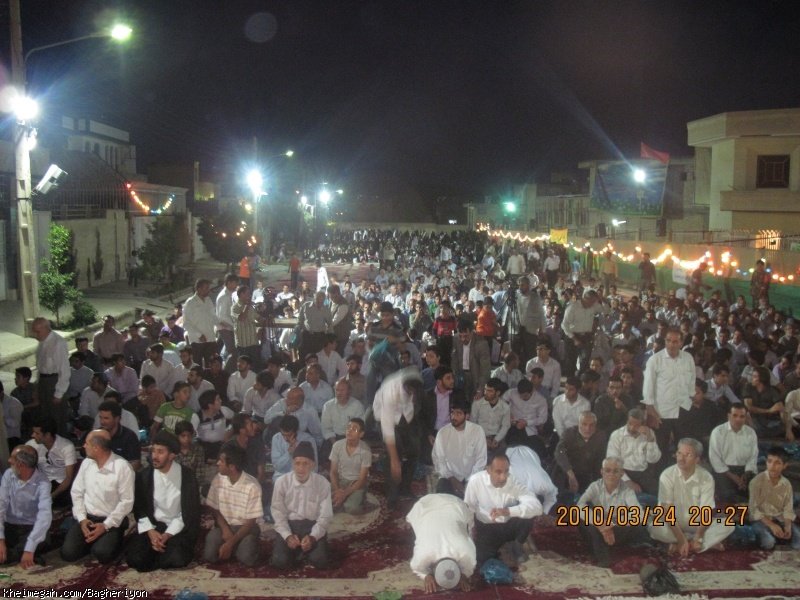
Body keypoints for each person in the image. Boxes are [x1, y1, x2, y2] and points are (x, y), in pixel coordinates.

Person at [126, 431, 200, 572]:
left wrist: (167, 535)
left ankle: (159, 552)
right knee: (135, 559)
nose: (154, 456)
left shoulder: (187, 477)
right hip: (154, 526)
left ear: (172, 455)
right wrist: (151, 532)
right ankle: (154, 549)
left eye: (160, 452)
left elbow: (190, 512)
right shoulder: (144, 476)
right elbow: (140, 509)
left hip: (177, 527)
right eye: (153, 451)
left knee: (176, 559)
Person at [648, 438, 734, 555]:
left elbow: (706, 511)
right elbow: (666, 511)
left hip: (697, 524)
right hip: (673, 525)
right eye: (679, 453)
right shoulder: (666, 475)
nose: (681, 459)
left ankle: (682, 545)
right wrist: (681, 538)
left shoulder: (706, 477)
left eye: (687, 455)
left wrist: (698, 536)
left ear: (697, 459)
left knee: (728, 524)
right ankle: (700, 544)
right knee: (654, 527)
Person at [61, 429, 135, 564]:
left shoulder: (123, 467)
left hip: (111, 521)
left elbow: (127, 502)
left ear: (96, 448)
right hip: (88, 519)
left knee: (103, 554)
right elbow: (76, 492)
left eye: (86, 443)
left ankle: (109, 540)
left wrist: (105, 525)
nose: (84, 446)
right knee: (68, 553)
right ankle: (91, 541)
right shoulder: (86, 463)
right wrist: (82, 519)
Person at [464, 453, 542, 567]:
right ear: (488, 470)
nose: (503, 477)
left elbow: (537, 507)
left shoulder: (513, 481)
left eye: (506, 471)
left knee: (528, 513)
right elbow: (468, 510)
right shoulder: (476, 481)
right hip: (488, 528)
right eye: (498, 472)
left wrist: (508, 511)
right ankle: (499, 551)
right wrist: (469, 539)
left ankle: (517, 543)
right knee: (481, 561)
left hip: (509, 526)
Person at [577, 456, 651, 568]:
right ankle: (604, 557)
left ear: (621, 474)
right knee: (582, 519)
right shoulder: (595, 486)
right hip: (599, 524)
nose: (611, 474)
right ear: (601, 472)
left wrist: (612, 525)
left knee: (639, 525)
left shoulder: (627, 490)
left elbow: (639, 514)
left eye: (616, 471)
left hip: (617, 527)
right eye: (607, 470)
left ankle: (601, 546)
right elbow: (580, 505)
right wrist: (600, 523)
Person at [270, 441, 333, 570]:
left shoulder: (322, 483)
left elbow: (325, 517)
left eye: (305, 464)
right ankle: (298, 551)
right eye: (297, 463)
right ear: (292, 464)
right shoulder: (282, 482)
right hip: (290, 525)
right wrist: (287, 536)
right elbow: (278, 513)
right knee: (279, 562)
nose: (300, 468)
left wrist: (313, 537)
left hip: (312, 526)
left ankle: (302, 551)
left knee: (321, 561)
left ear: (312, 465)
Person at [372, 368, 424, 508]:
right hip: (384, 418)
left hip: (405, 417)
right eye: (409, 392)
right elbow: (387, 429)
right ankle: (392, 494)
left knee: (414, 451)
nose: (412, 395)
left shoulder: (416, 381)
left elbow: (414, 406)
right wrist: (395, 460)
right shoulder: (391, 391)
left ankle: (405, 488)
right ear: (404, 387)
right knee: (393, 454)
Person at [203, 445, 262, 566]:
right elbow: (214, 508)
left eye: (222, 461)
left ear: (232, 467)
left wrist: (230, 543)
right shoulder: (218, 479)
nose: (218, 463)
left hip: (245, 529)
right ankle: (235, 548)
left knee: (247, 558)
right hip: (224, 525)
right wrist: (225, 530)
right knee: (209, 555)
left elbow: (250, 522)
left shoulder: (252, 486)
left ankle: (239, 547)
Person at [642, 328, 696, 459]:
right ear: (665, 341)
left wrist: (691, 400)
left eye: (675, 341)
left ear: (681, 343)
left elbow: (692, 382)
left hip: (683, 408)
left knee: (684, 447)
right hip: (661, 412)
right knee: (660, 448)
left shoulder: (688, 358)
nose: (672, 344)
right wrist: (651, 411)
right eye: (669, 341)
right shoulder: (655, 360)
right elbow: (648, 387)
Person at [406, 494, 475, 593]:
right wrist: (427, 576)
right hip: (425, 506)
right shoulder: (424, 553)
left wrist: (463, 576)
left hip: (454, 503)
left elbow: (469, 567)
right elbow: (416, 566)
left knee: (468, 523)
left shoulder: (467, 552)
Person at [0, 445, 52, 568]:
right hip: (10, 526)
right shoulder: (8, 474)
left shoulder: (43, 483)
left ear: (21, 464)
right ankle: (25, 553)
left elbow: (44, 516)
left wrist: (29, 549)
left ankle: (25, 552)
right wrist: (0, 539)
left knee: (39, 541)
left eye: (12, 458)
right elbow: (0, 505)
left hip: (31, 529)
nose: (9, 461)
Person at [432, 398, 487, 498]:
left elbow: (481, 460)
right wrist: (452, 479)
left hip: (471, 478)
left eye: (458, 413)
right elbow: (439, 459)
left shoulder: (477, 431)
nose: (454, 417)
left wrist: (469, 481)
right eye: (452, 413)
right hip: (449, 477)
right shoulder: (443, 433)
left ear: (467, 416)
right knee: (443, 499)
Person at [748, 446, 800, 551]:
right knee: (768, 543)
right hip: (761, 520)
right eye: (769, 461)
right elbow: (754, 510)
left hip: (779, 519)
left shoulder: (786, 484)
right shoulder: (756, 481)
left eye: (777, 463)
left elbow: (788, 509)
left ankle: (780, 537)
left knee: (798, 542)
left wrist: (788, 526)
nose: (772, 466)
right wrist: (772, 525)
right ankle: (773, 537)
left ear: (785, 466)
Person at [708, 403, 758, 504]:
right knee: (727, 494)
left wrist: (746, 475)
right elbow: (715, 459)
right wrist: (732, 476)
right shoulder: (718, 432)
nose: (738, 419)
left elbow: (753, 457)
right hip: (724, 471)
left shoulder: (750, 432)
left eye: (742, 416)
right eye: (735, 415)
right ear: (729, 415)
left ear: (745, 417)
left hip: (745, 471)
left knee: (755, 492)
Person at [605, 408, 661, 495]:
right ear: (627, 421)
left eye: (636, 425)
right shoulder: (616, 435)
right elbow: (612, 462)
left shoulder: (650, 433)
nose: (632, 428)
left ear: (643, 424)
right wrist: (627, 481)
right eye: (630, 424)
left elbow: (653, 460)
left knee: (659, 494)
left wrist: (650, 440)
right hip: (622, 472)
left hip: (643, 472)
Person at [32, 316, 71, 438]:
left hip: (54, 382)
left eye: (37, 331)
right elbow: (40, 367)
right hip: (44, 382)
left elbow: (64, 370)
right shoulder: (42, 343)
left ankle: (61, 445)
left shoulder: (58, 342)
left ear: (45, 328)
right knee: (45, 417)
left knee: (57, 419)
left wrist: (59, 393)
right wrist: (37, 388)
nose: (36, 335)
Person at [28, 416, 77, 508]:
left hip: (62, 485)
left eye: (36, 433)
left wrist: (51, 496)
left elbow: (68, 478)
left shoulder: (66, 447)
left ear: (47, 435)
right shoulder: (31, 445)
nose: (33, 435)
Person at [554, 411, 608, 494]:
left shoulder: (601, 436)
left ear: (596, 425)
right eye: (584, 424)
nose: (587, 429)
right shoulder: (569, 433)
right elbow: (559, 453)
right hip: (569, 472)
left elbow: (601, 460)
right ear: (578, 424)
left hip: (589, 474)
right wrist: (571, 475)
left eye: (591, 425)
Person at [329, 418, 371, 514]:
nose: (350, 431)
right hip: (340, 479)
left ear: (361, 434)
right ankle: (343, 500)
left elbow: (362, 479)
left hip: (356, 483)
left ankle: (361, 497)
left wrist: (343, 494)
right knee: (323, 502)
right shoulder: (337, 445)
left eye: (354, 429)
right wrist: (337, 490)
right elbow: (333, 472)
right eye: (348, 428)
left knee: (351, 508)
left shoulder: (366, 451)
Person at [451, 320, 491, 402]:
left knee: (475, 403)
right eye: (460, 336)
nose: (462, 339)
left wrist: (481, 388)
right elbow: (454, 359)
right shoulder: (455, 339)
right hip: (460, 376)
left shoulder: (482, 344)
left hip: (476, 377)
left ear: (472, 332)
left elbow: (485, 369)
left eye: (466, 336)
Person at [182, 279, 218, 368]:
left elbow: (214, 317)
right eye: (206, 288)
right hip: (197, 341)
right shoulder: (190, 302)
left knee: (210, 366)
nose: (208, 290)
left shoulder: (209, 300)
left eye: (208, 288)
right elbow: (186, 324)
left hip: (210, 339)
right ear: (198, 289)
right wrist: (199, 335)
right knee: (197, 367)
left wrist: (221, 324)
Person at [96, 400, 142, 469]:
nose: (102, 422)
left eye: (106, 418)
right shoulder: (97, 435)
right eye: (100, 418)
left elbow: (135, 463)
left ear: (117, 419)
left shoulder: (129, 436)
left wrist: (119, 475)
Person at [470, 378, 510, 451]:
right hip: (480, 436)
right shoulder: (477, 404)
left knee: (503, 455)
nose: (486, 393)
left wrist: (496, 440)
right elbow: (473, 424)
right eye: (485, 390)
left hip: (497, 437)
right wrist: (483, 439)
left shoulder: (505, 407)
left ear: (498, 393)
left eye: (490, 391)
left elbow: (505, 426)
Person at [216, 274, 239, 364]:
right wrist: (234, 326)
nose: (236, 286)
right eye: (235, 283)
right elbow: (222, 317)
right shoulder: (224, 296)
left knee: (218, 350)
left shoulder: (230, 294)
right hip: (225, 328)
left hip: (227, 327)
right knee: (233, 352)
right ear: (229, 283)